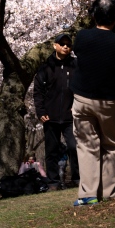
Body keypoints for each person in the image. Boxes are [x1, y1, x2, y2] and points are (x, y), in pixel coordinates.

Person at [70, 0, 115, 206]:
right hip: (111, 101)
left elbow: (82, 54)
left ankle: (88, 194)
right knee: (112, 144)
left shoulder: (81, 37)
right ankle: (109, 191)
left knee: (86, 145)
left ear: (93, 15)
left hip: (82, 98)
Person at [33, 33, 80, 190]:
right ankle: (53, 181)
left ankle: (77, 178)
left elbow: (82, 87)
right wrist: (40, 112)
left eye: (68, 44)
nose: (66, 46)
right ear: (55, 46)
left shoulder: (75, 65)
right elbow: (38, 91)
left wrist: (78, 105)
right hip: (50, 116)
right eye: (62, 44)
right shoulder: (46, 67)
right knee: (51, 150)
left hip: (70, 116)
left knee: (74, 146)